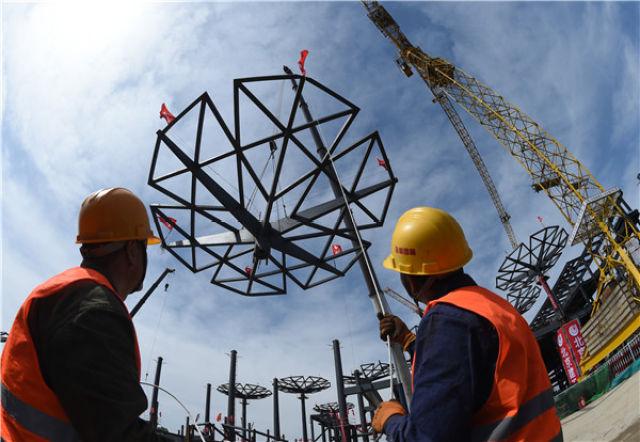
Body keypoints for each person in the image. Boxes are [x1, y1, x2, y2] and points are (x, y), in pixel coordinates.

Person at [372, 207, 562, 441]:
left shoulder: (447, 322)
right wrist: (410, 341)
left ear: (411, 278)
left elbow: (426, 437)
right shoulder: (492, 307)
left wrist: (391, 419)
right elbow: (478, 371)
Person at [1, 187, 171, 441]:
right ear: (132, 251)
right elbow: (121, 436)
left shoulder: (63, 292)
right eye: (143, 246)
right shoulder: (94, 312)